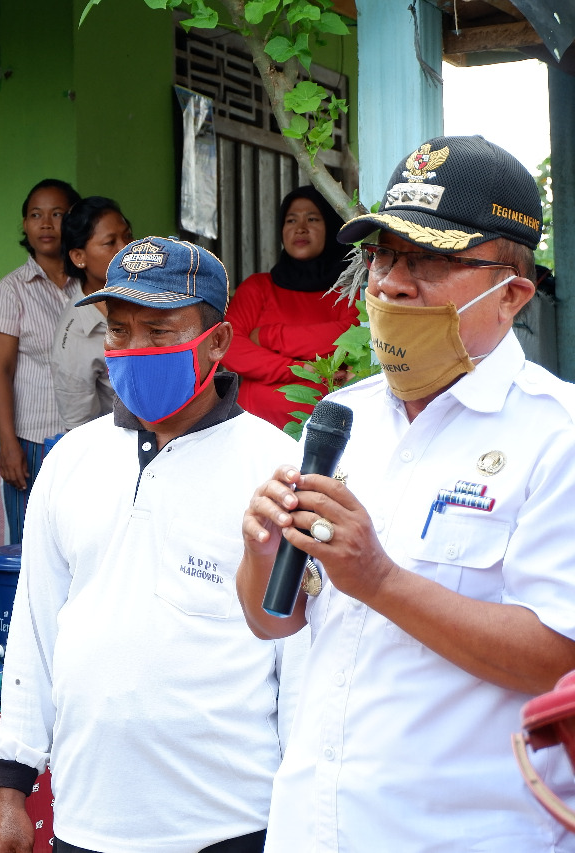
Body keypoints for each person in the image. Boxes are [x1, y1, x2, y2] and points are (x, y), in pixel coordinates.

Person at [236, 135, 575, 850]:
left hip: (461, 834)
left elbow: (557, 657)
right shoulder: (345, 417)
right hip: (314, 826)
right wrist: (261, 554)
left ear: (511, 293)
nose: (391, 283)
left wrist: (380, 579)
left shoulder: (558, 435)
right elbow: (276, 623)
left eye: (427, 260)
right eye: (384, 256)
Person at [0, 237, 301, 853]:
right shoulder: (70, 460)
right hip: (87, 820)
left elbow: (300, 668)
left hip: (232, 824)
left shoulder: (277, 469)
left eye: (160, 332)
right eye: (120, 331)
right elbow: (35, 634)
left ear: (217, 342)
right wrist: (12, 791)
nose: (134, 351)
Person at [0, 178, 82, 544]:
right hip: (33, 441)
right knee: (32, 548)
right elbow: (0, 372)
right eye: (35, 214)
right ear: (25, 224)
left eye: (57, 214)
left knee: (80, 542)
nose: (46, 223)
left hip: (86, 437)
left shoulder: (91, 287)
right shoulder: (10, 291)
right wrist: (8, 445)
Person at [222, 186, 358, 430]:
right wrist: (300, 368)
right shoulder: (258, 288)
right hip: (253, 433)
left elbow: (349, 336)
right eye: (291, 220)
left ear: (331, 226)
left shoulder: (348, 290)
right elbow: (231, 348)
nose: (300, 228)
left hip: (328, 435)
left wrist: (265, 336)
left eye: (313, 219)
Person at [51, 196, 132, 430]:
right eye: (110, 242)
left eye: (127, 236)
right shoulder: (76, 334)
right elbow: (78, 428)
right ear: (79, 257)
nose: (125, 249)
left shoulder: (147, 295)